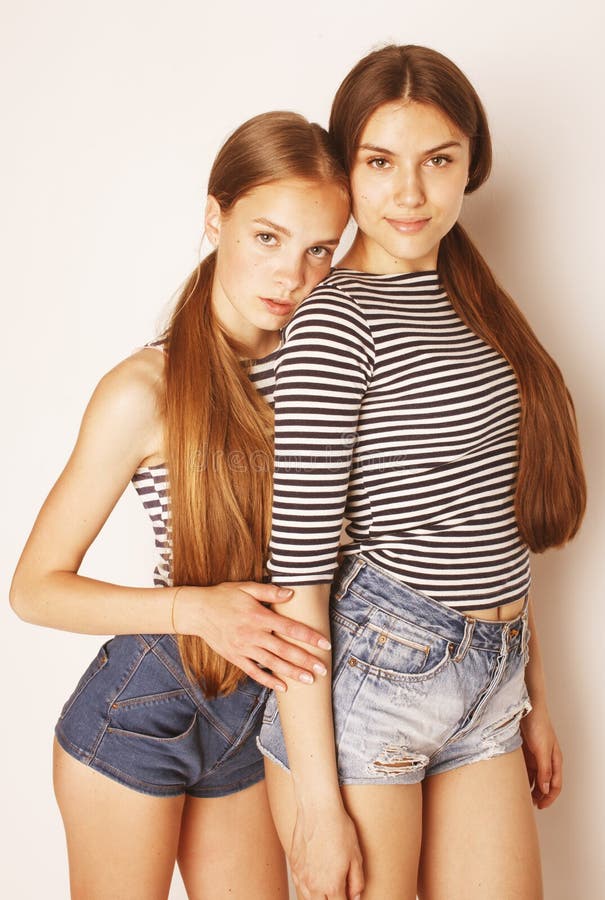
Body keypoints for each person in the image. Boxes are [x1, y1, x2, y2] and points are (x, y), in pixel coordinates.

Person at [257, 46, 586, 900]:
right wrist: (318, 805)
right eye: (380, 162)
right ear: (347, 170)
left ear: (471, 163)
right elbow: (295, 571)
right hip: (374, 681)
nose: (409, 192)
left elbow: (490, 514)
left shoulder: (474, 299)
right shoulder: (334, 321)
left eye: (437, 160)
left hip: (490, 678)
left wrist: (529, 695)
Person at [9, 110, 350, 900]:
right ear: (215, 217)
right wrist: (198, 611)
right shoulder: (145, 390)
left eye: (318, 251)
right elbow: (34, 588)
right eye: (266, 238)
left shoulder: (327, 368)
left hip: (254, 715)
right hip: (140, 708)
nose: (290, 276)